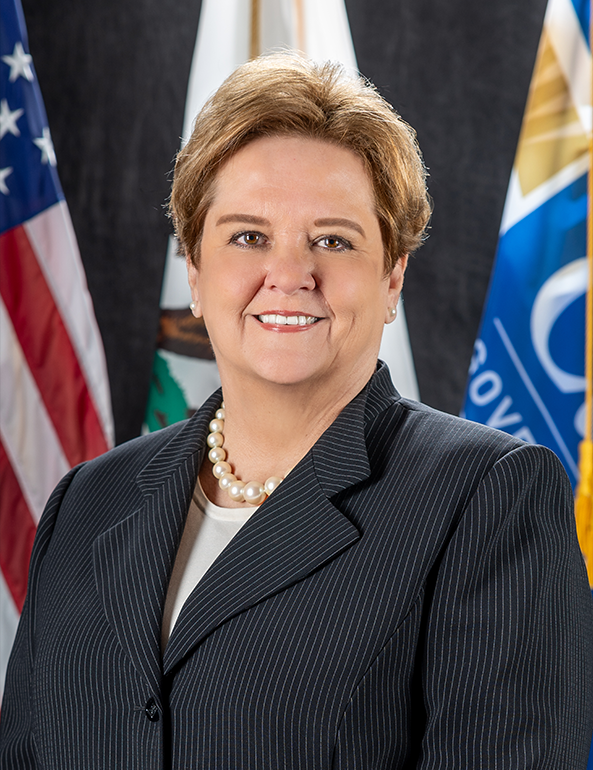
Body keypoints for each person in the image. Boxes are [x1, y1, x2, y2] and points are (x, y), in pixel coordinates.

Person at [1, 52, 592, 770]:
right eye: (248, 236)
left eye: (333, 241)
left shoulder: (485, 497)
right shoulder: (88, 502)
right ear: (193, 268)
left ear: (391, 276)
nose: (289, 275)